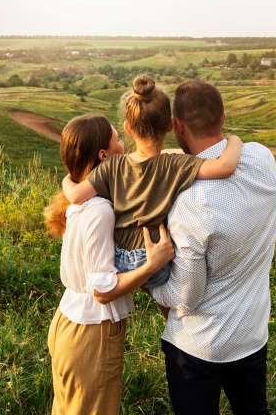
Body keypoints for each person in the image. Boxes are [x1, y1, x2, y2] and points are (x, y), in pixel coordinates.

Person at [148, 79, 276, 415]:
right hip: (251, 329)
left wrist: (150, 284)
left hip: (198, 344)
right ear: (224, 117)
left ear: (178, 127)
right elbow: (242, 147)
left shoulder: (190, 205)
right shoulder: (263, 160)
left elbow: (185, 295)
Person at [43, 114, 174, 415]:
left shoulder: (81, 197)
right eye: (119, 141)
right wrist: (152, 265)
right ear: (104, 156)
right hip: (93, 333)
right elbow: (103, 289)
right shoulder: (99, 210)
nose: (125, 146)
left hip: (67, 323)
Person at [60, 75, 243, 289]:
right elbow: (225, 167)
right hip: (154, 261)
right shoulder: (174, 165)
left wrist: (67, 179)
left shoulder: (113, 165)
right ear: (169, 125)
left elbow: (74, 196)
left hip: (118, 259)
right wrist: (234, 140)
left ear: (128, 127)